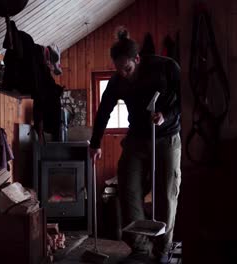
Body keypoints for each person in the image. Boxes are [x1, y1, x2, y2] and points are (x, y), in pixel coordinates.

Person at [89, 28, 181, 264]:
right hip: (137, 138)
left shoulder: (166, 67)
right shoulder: (118, 80)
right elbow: (104, 110)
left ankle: (163, 248)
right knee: (128, 188)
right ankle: (140, 247)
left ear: (137, 59)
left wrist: (166, 116)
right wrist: (96, 143)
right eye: (118, 69)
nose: (123, 74)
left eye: (127, 69)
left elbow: (184, 99)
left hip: (167, 137)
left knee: (166, 192)